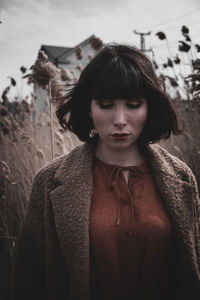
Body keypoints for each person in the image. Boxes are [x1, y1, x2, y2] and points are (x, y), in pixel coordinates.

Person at [14, 43, 200, 300]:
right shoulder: (49, 182)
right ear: (89, 107)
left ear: (149, 107)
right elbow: (28, 280)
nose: (120, 119)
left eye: (133, 104)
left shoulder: (181, 178)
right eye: (106, 104)